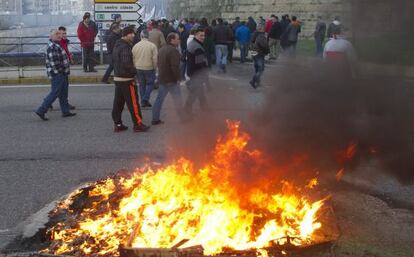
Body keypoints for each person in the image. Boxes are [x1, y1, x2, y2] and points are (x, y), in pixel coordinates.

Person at [112, 26, 149, 133]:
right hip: (126, 79)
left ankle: (117, 124)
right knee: (133, 102)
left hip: (118, 78)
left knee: (118, 103)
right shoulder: (125, 47)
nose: (133, 35)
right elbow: (126, 63)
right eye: (131, 33)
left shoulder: (117, 45)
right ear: (126, 34)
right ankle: (137, 124)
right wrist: (135, 72)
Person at [35, 29, 76, 121]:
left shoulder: (56, 45)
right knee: (55, 93)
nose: (59, 35)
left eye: (59, 34)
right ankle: (41, 110)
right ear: (51, 36)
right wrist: (61, 72)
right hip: (58, 74)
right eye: (56, 34)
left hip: (62, 73)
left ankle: (65, 111)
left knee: (63, 93)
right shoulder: (52, 47)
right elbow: (55, 63)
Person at [152, 32, 187, 125]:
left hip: (162, 78)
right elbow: (175, 67)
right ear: (172, 40)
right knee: (178, 99)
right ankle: (183, 118)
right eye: (177, 39)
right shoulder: (173, 51)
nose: (179, 40)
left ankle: (155, 119)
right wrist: (178, 78)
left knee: (159, 99)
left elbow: (158, 63)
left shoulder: (162, 49)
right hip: (171, 80)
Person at [185, 26, 209, 114]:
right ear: (195, 35)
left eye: (203, 35)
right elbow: (200, 64)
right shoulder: (197, 47)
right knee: (194, 94)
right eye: (201, 35)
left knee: (200, 93)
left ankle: (205, 109)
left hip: (193, 72)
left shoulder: (192, 43)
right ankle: (186, 111)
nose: (203, 37)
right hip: (197, 74)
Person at [132, 29, 158, 108]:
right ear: (148, 36)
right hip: (149, 67)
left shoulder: (136, 46)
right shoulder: (152, 45)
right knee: (150, 84)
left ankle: (144, 101)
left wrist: (135, 66)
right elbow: (155, 58)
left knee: (141, 85)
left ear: (141, 36)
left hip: (138, 67)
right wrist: (155, 67)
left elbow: (133, 57)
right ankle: (145, 99)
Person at [57, 26, 75, 110]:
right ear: (58, 34)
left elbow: (66, 52)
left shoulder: (64, 42)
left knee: (61, 88)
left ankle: (65, 103)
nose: (64, 35)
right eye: (62, 33)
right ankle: (48, 102)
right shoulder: (58, 44)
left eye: (65, 33)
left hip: (65, 67)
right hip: (61, 69)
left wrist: (70, 58)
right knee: (60, 88)